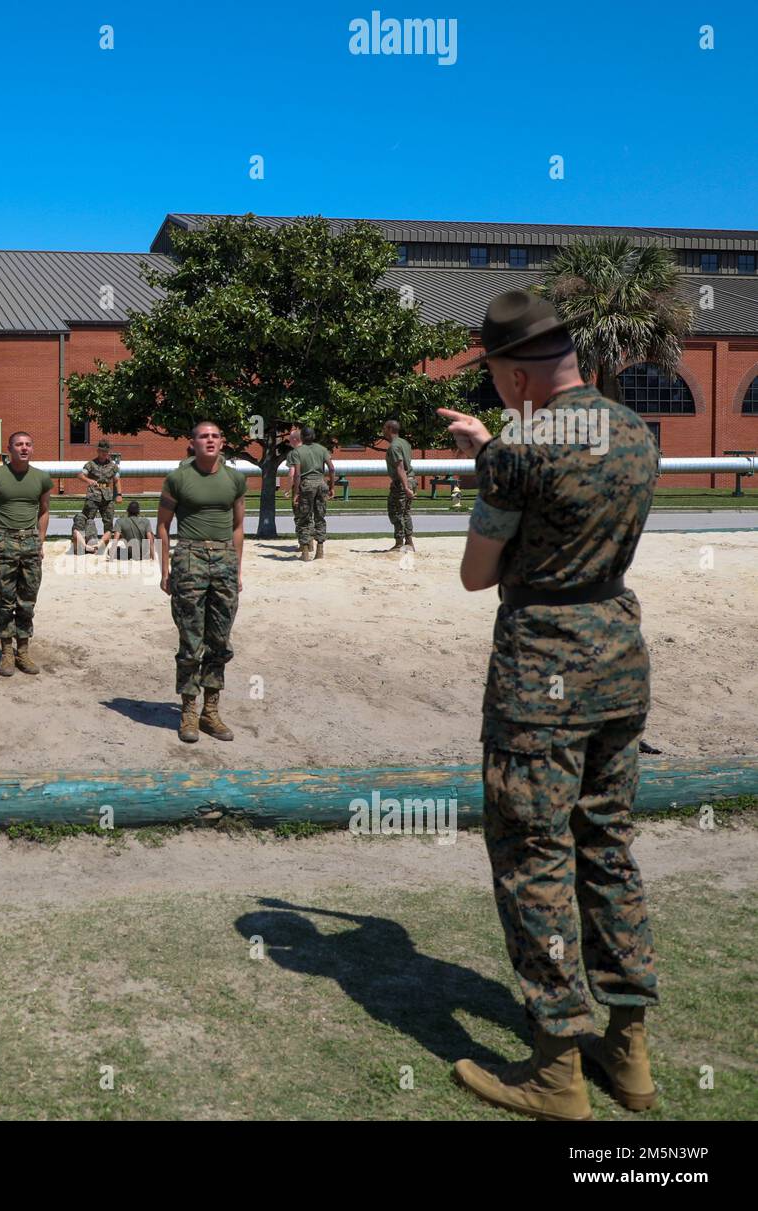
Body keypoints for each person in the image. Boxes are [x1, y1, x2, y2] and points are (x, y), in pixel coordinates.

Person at [439, 289, 661, 1121]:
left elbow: (477, 573)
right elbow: (575, 492)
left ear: (513, 371)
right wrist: (496, 448)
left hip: (542, 674)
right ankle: (629, 1048)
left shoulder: (518, 447)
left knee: (534, 856)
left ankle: (558, 1065)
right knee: (607, 845)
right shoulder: (636, 430)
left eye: (493, 374)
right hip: (619, 659)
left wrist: (492, 459)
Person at [157, 420, 246, 743]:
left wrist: (236, 569)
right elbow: (163, 526)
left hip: (224, 559)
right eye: (202, 436)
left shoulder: (235, 479)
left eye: (215, 436)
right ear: (192, 443)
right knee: (191, 643)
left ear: (222, 442)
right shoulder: (178, 478)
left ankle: (211, 711)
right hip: (189, 558)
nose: (209, 441)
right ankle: (189, 711)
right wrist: (165, 570)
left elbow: (238, 526)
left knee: (220, 641)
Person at [0, 430, 52, 676]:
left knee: (27, 601)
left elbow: (44, 511)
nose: (24, 448)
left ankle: (23, 650)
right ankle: (6, 652)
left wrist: (40, 542)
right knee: (5, 601)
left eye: (28, 444)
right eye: (19, 445)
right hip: (3, 540)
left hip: (30, 542)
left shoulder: (42, 478)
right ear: (9, 449)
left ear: (32, 448)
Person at [285, 424, 335, 560]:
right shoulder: (322, 449)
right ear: (313, 436)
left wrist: (295, 493)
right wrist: (332, 487)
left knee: (304, 518)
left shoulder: (297, 452)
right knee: (320, 517)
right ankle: (319, 549)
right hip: (321, 483)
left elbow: (297, 475)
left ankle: (305, 551)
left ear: (302, 437)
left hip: (306, 485)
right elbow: (331, 468)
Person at [77, 439, 121, 545]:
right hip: (93, 495)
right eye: (102, 451)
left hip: (107, 497)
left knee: (108, 521)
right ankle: (88, 541)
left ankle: (105, 543)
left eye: (106, 451)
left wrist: (119, 494)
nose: (104, 453)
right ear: (98, 451)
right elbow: (80, 475)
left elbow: (117, 480)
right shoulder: (91, 464)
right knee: (88, 519)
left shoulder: (113, 466)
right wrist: (89, 481)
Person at [383, 419, 415, 553]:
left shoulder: (394, 446)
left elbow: (400, 467)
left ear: (390, 429)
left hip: (402, 483)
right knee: (405, 512)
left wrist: (405, 487)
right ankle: (409, 542)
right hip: (411, 479)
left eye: (384, 428)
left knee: (395, 512)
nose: (382, 430)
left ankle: (399, 543)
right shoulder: (405, 443)